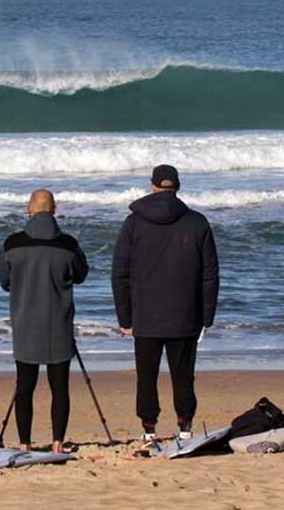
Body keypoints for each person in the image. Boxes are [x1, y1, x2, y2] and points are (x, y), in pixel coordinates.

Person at [111, 164, 219, 440]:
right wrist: (207, 316)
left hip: (145, 314)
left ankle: (149, 428)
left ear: (153, 186)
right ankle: (184, 426)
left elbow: (120, 273)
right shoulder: (197, 222)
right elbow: (210, 274)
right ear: (178, 187)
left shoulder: (134, 223)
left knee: (146, 376)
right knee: (183, 376)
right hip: (185, 314)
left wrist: (125, 317)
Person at [0, 188, 88, 453]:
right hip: (58, 325)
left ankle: (25, 443)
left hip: (25, 324)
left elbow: (5, 281)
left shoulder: (12, 244)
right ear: (55, 210)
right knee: (59, 387)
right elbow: (81, 274)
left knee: (24, 387)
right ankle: (58, 442)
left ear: (29, 209)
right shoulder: (68, 245)